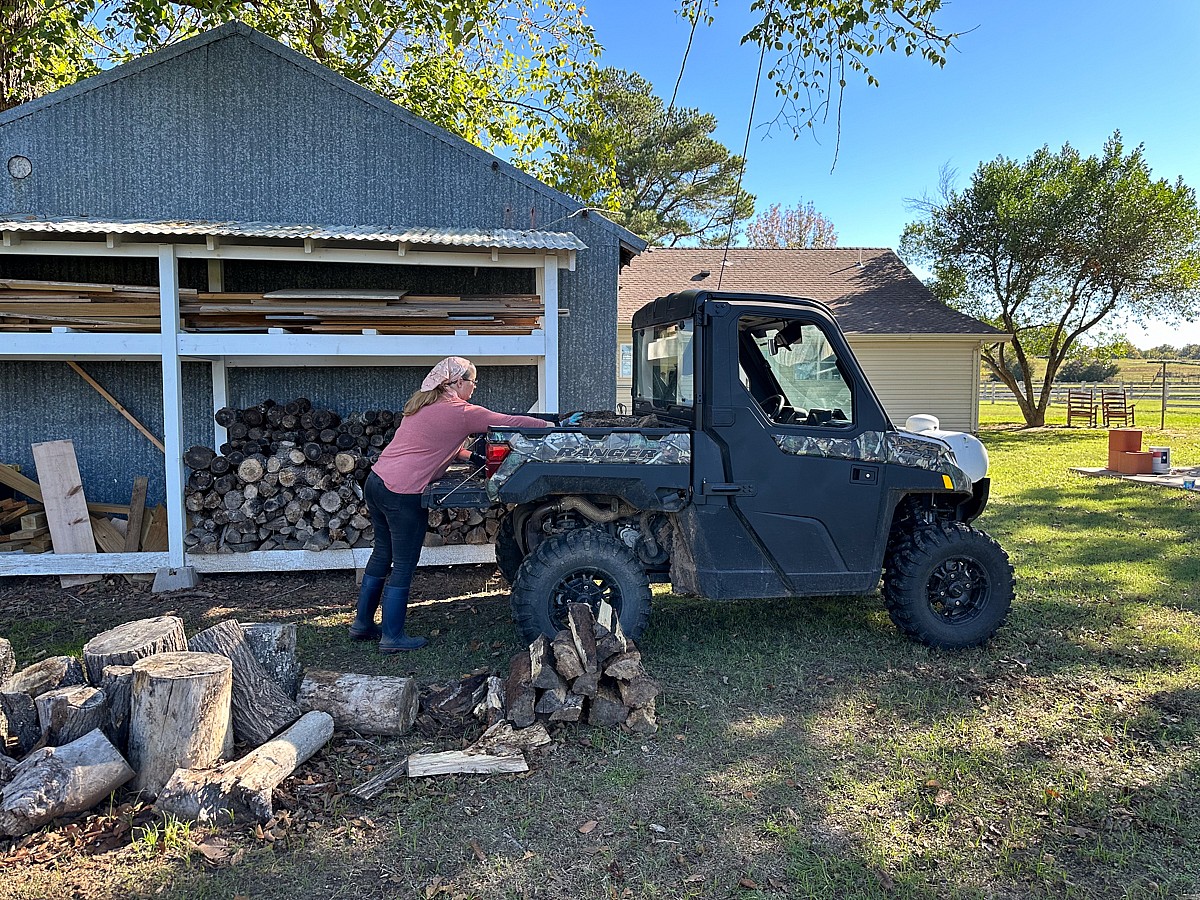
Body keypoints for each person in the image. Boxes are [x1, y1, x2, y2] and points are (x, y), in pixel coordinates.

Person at [351, 356, 549, 652]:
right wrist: (551, 425)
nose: (474, 387)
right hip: (403, 491)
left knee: (382, 554)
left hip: (377, 482)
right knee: (403, 564)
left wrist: (473, 457)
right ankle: (392, 637)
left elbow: (441, 444)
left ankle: (362, 624)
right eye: (473, 381)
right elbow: (508, 423)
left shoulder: (423, 404)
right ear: (457, 382)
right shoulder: (460, 412)